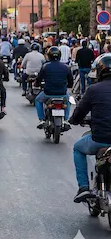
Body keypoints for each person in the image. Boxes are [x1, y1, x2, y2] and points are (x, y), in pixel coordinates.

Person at [69, 53, 111, 202]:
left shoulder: (93, 89)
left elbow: (80, 111)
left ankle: (84, 187)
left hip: (100, 139)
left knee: (78, 148)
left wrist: (74, 120)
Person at [34, 47, 74, 129]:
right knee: (68, 100)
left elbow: (39, 79)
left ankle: (42, 119)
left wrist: (37, 84)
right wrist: (68, 86)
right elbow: (71, 81)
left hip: (48, 93)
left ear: (49, 56)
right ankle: (66, 120)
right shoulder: (66, 67)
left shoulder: (45, 66)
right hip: (62, 93)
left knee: (38, 100)